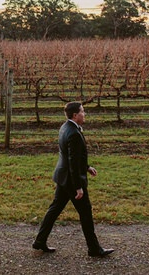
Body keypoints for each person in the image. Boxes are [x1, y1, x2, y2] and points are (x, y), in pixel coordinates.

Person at [32, 101, 113, 257]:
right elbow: (73, 163)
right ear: (75, 115)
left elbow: (74, 156)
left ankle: (40, 241)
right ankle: (94, 249)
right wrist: (78, 187)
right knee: (85, 213)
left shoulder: (65, 127)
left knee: (54, 209)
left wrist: (87, 167)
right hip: (71, 180)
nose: (85, 114)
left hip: (62, 177)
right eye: (83, 111)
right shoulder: (74, 133)